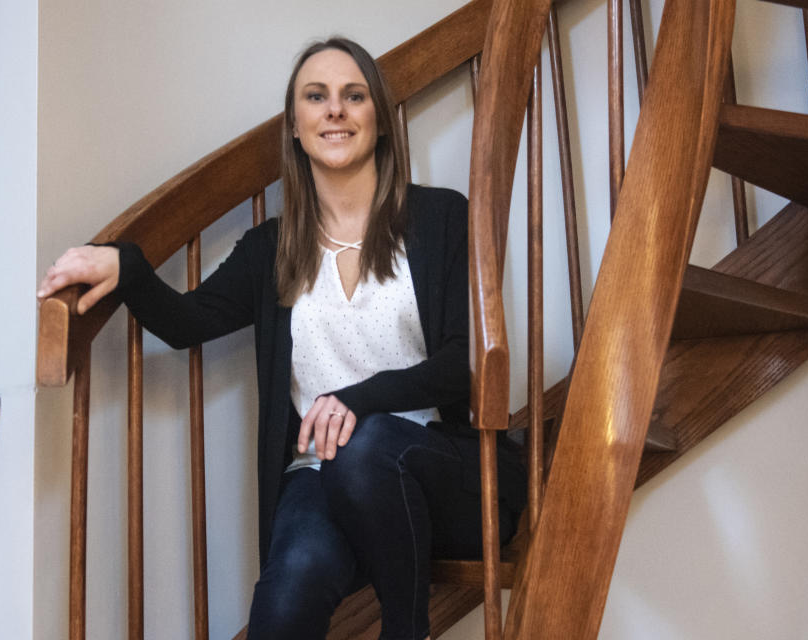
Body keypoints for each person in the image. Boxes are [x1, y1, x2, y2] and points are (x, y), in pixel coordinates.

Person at [38, 37, 526, 640]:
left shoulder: (441, 217)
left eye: (354, 96)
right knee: (284, 599)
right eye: (316, 97)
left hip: (435, 467)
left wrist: (356, 399)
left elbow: (461, 364)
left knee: (366, 444)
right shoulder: (272, 249)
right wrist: (129, 266)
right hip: (318, 473)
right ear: (295, 126)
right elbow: (185, 322)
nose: (335, 111)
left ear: (379, 119)